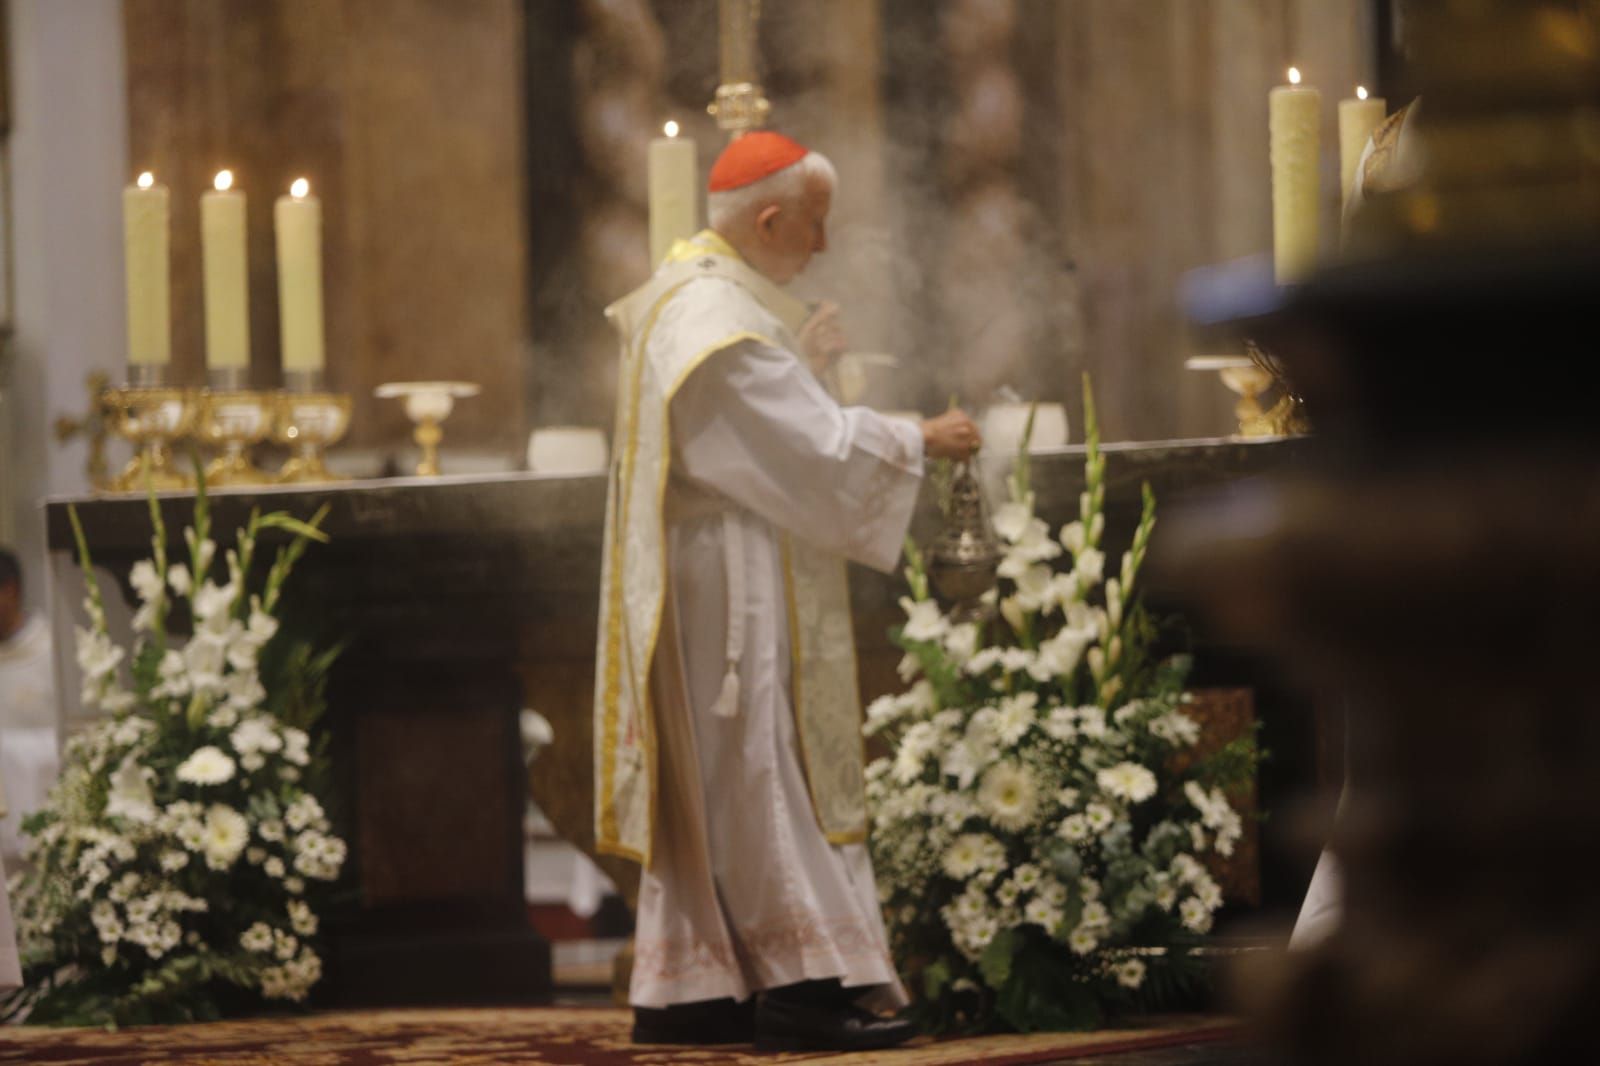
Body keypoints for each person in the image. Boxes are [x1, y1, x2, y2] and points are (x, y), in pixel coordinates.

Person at [594, 131, 980, 1051]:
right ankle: (806, 987)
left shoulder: (697, 298)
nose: (825, 246)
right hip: (722, 574)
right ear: (768, 220)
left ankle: (689, 989)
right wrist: (917, 435)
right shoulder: (708, 315)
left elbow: (761, 425)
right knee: (752, 768)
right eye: (814, 225)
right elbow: (799, 445)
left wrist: (801, 369)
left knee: (723, 777)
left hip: (709, 562)